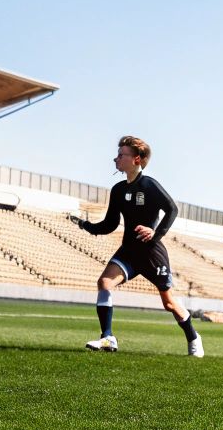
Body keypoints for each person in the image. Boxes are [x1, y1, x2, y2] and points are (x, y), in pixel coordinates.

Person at [77, 136, 202, 357]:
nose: (116, 158)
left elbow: (172, 209)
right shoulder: (117, 190)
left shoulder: (149, 185)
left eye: (121, 154)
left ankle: (193, 337)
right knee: (105, 283)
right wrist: (87, 226)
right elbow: (110, 224)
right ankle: (107, 337)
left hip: (152, 252)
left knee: (169, 303)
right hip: (129, 251)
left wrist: (156, 233)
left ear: (136, 159)